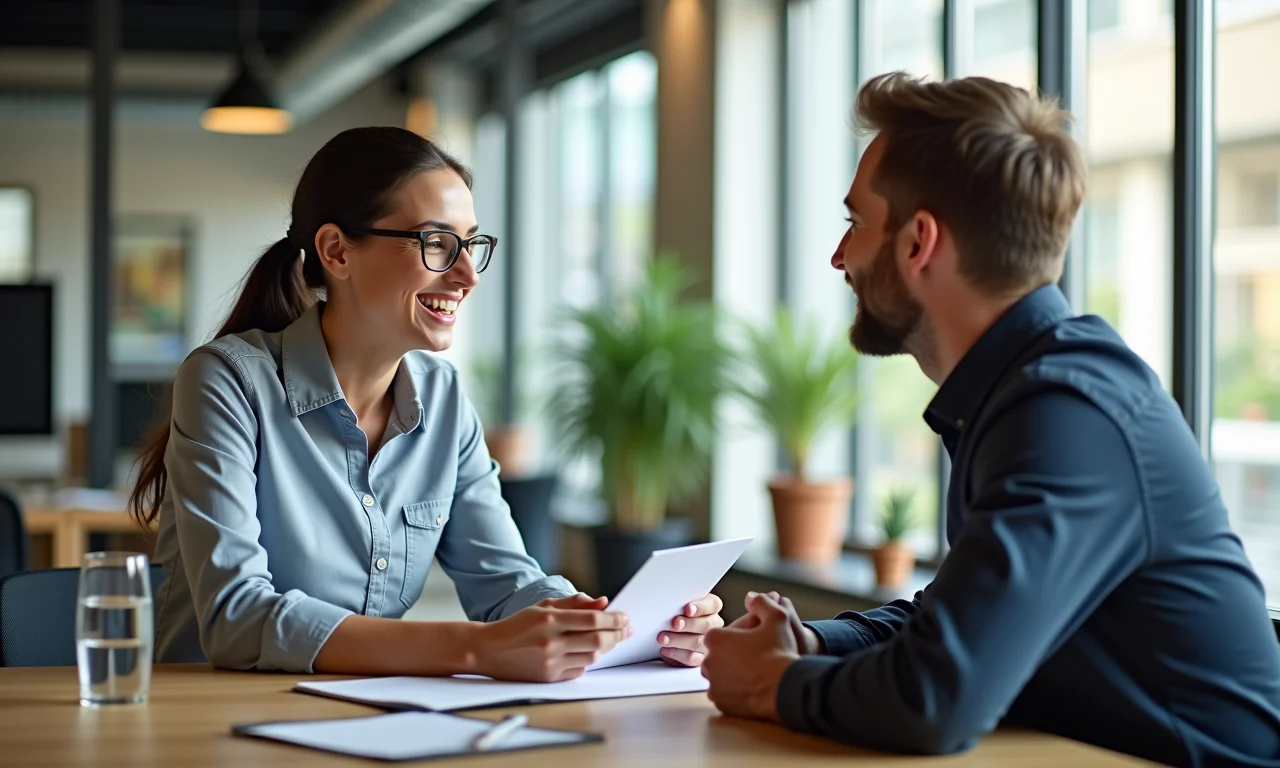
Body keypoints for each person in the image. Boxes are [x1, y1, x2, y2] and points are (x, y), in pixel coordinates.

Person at [700, 73, 1280, 766]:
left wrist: (770, 682)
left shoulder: (1066, 412)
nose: (839, 256)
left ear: (919, 243)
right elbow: (952, 621)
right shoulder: (1020, 392)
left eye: (855, 223)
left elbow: (936, 697)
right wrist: (817, 644)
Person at [129, 127, 723, 680]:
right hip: (209, 722)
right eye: (438, 243)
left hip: (366, 720)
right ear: (336, 252)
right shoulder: (227, 382)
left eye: (472, 245)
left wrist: (616, 625)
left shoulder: (442, 398)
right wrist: (473, 648)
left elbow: (507, 584)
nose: (468, 274)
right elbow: (237, 618)